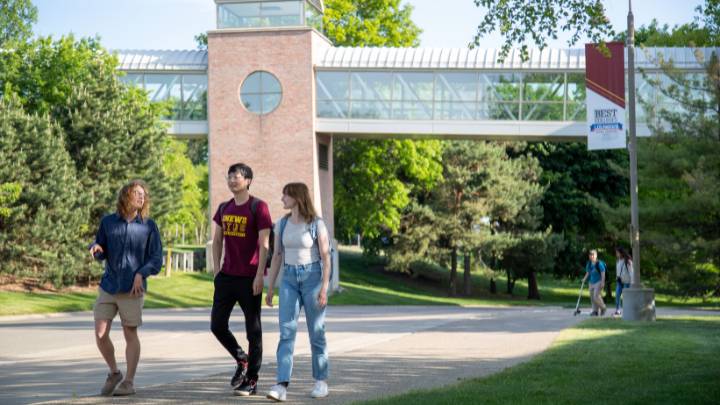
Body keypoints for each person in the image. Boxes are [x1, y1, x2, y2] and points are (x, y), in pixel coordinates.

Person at [89, 180, 162, 396]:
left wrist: (141, 273)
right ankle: (114, 373)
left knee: (130, 332)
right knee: (101, 334)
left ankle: (129, 382)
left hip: (133, 289)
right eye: (137, 193)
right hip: (109, 285)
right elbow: (100, 247)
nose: (142, 197)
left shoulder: (149, 226)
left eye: (143, 194)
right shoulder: (108, 222)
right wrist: (96, 249)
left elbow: (156, 258)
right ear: (125, 196)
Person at [265, 182, 331, 402]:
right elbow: (276, 257)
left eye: (286, 194)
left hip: (312, 278)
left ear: (297, 197)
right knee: (286, 332)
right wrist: (271, 287)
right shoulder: (281, 224)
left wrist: (324, 287)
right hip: (289, 280)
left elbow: (325, 257)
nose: (282, 197)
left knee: (317, 332)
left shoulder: (316, 224)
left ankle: (321, 381)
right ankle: (281, 385)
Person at [211, 163, 272, 396]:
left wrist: (260, 275)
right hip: (226, 277)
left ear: (248, 180)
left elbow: (264, 243)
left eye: (236, 176)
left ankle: (252, 380)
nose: (231, 180)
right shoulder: (224, 207)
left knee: (253, 331)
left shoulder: (259, 207)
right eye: (229, 176)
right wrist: (217, 270)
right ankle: (241, 359)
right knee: (217, 325)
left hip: (249, 278)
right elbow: (217, 241)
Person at [581, 249, 607, 317]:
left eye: (593, 255)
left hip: (598, 282)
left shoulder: (599, 264)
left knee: (596, 296)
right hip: (591, 282)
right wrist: (584, 279)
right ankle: (595, 311)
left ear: (596, 256)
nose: (591, 256)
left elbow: (603, 273)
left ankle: (603, 307)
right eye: (590, 255)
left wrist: (603, 282)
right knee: (592, 298)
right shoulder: (589, 264)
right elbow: (588, 272)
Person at [614, 247, 634, 316]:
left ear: (621, 253)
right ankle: (618, 310)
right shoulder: (618, 261)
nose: (616, 254)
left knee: (625, 297)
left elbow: (631, 272)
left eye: (617, 253)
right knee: (617, 295)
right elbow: (618, 271)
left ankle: (627, 310)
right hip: (620, 282)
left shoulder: (628, 261)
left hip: (627, 282)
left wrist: (632, 283)